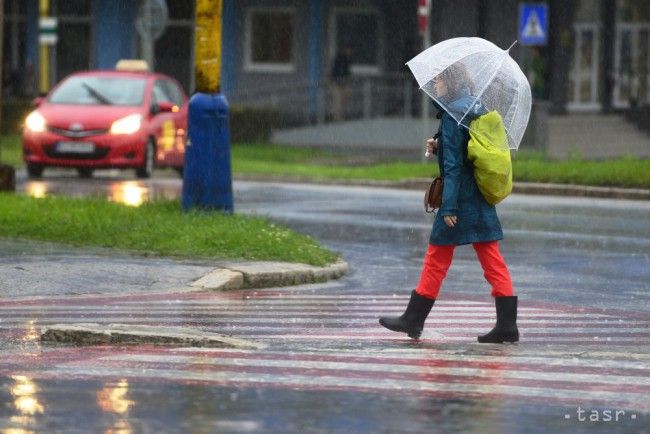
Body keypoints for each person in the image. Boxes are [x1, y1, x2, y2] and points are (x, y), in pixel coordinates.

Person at [379, 63, 519, 344]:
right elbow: (467, 151)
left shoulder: (453, 116)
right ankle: (507, 325)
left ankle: (414, 318)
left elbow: (454, 168)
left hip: (460, 200)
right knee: (491, 259)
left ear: (451, 82)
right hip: (478, 199)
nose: (436, 84)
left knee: (436, 258)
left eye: (440, 79)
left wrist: (449, 208)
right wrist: (439, 145)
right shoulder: (473, 107)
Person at [329, 45, 352, 121]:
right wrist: (337, 80)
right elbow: (337, 72)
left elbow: (346, 72)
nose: (349, 52)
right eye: (348, 50)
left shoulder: (347, 60)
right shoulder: (341, 59)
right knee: (338, 100)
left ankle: (340, 116)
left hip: (343, 83)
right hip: (337, 83)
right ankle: (336, 117)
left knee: (343, 100)